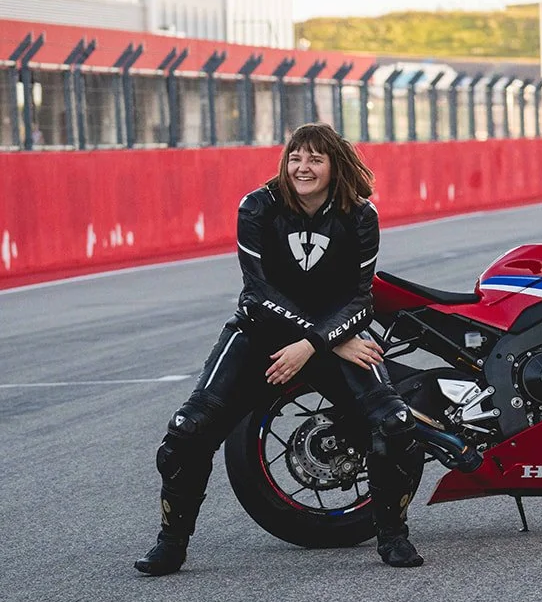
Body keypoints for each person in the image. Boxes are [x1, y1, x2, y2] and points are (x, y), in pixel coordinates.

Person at [135, 123, 425, 575]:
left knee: (396, 424)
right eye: (295, 158)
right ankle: (171, 543)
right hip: (261, 334)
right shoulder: (256, 207)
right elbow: (257, 295)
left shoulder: (360, 214)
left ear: (334, 165)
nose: (302, 168)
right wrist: (322, 340)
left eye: (315, 159)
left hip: (330, 337)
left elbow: (360, 298)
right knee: (186, 433)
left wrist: (314, 344)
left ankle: (393, 537)